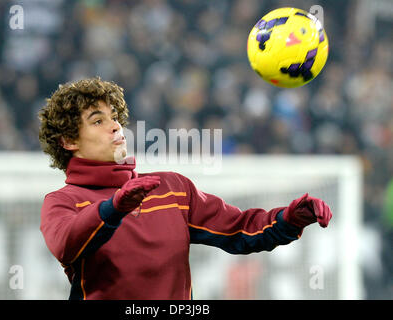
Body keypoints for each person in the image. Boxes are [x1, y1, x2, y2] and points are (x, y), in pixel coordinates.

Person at [38, 77, 332, 300]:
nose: (114, 126)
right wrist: (114, 208)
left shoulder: (171, 188)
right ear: (68, 141)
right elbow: (66, 243)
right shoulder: (63, 202)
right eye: (98, 121)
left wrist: (289, 219)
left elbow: (241, 230)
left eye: (114, 117)